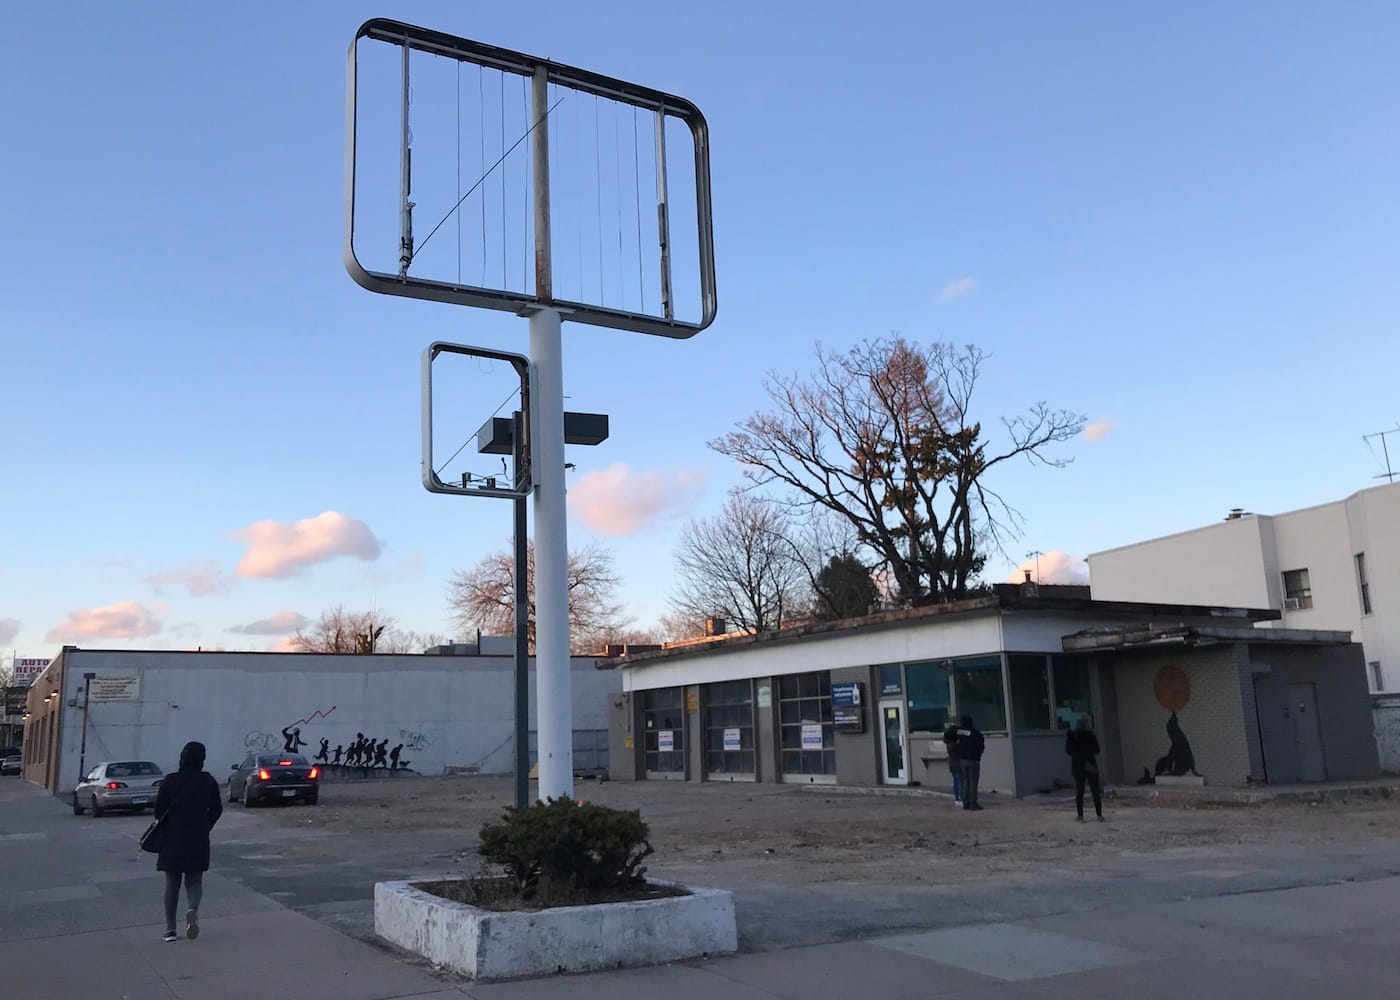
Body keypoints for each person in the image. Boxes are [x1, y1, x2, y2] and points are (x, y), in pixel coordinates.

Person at [154, 741, 223, 942]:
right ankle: (192, 909)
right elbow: (217, 809)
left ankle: (169, 930)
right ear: (202, 759)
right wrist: (205, 825)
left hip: (172, 837)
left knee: (172, 883)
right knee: (194, 880)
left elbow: (159, 811)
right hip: (198, 837)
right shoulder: (207, 781)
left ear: (182, 757)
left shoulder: (170, 780)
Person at [1065, 716, 1104, 821]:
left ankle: (1080, 816)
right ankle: (1099, 815)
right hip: (1090, 765)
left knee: (1079, 791)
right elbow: (1097, 750)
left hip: (1077, 765)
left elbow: (1068, 751)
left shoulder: (1071, 736)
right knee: (1095, 790)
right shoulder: (1090, 735)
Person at [955, 716, 985, 811]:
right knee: (973, 782)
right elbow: (981, 745)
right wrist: (978, 755)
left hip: (962, 760)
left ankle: (966, 802)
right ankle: (973, 803)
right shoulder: (974, 733)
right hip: (973, 760)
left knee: (965, 781)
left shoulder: (959, 732)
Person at [942, 721, 963, 806]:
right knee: (960, 781)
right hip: (957, 763)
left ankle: (957, 798)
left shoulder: (948, 743)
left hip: (952, 763)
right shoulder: (955, 745)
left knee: (955, 781)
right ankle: (961, 798)